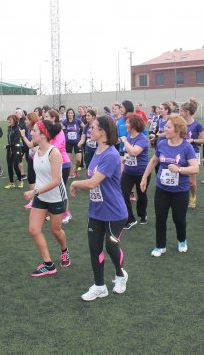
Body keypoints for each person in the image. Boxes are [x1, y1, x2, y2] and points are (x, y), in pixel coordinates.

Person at [70, 116, 129, 301]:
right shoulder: (96, 151)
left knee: (111, 248)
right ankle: (99, 286)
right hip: (96, 210)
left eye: (93, 128)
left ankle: (121, 275)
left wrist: (75, 183)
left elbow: (94, 181)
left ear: (103, 131)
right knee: (94, 248)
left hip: (114, 212)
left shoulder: (111, 155)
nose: (90, 131)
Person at [141, 115, 199, 257]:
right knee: (160, 218)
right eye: (165, 126)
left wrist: (180, 169)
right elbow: (154, 161)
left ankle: (182, 240)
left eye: (168, 127)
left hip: (180, 191)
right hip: (162, 189)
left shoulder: (187, 147)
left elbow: (195, 168)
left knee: (179, 219)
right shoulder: (161, 143)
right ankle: (160, 246)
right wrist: (144, 178)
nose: (164, 129)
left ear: (178, 129)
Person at [24, 119, 70, 276]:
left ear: (44, 134)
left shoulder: (54, 152)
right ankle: (48, 264)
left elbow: (56, 181)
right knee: (34, 230)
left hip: (56, 198)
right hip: (41, 198)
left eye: (34, 130)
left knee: (56, 231)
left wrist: (34, 192)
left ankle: (64, 250)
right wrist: (36, 192)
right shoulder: (35, 151)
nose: (31, 132)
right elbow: (40, 175)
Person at [120, 114, 150, 229]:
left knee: (141, 195)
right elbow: (127, 153)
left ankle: (143, 214)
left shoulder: (142, 138)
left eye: (128, 123)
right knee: (123, 194)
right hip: (128, 172)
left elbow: (134, 152)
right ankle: (130, 219)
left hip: (141, 173)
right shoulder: (128, 136)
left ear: (134, 125)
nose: (126, 125)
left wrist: (124, 141)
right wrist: (124, 159)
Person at [46, 110, 73, 223]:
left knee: (61, 190)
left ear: (53, 118)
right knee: (52, 190)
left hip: (63, 164)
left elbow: (55, 146)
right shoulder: (48, 131)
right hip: (53, 163)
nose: (44, 117)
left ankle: (67, 213)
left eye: (47, 116)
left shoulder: (59, 131)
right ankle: (54, 212)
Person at [180, 99, 204, 208]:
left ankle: (193, 196)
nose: (180, 113)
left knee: (191, 181)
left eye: (182, 111)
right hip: (180, 153)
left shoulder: (197, 124)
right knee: (180, 176)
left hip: (193, 154)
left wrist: (193, 140)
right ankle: (181, 196)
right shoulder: (180, 123)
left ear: (187, 112)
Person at [20, 112, 40, 209]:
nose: (25, 121)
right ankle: (33, 200)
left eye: (27, 119)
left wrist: (23, 136)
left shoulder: (35, 129)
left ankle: (36, 200)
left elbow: (31, 145)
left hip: (38, 158)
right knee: (31, 178)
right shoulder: (29, 129)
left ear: (31, 120)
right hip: (32, 156)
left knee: (35, 178)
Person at [4, 114, 24, 189]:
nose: (8, 121)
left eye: (10, 119)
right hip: (10, 149)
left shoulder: (17, 129)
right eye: (8, 119)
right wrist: (9, 147)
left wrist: (7, 146)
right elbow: (10, 140)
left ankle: (20, 180)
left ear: (14, 120)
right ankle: (11, 183)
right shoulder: (9, 128)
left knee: (16, 166)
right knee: (9, 166)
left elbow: (16, 142)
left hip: (16, 149)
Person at [62, 108, 83, 177]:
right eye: (69, 113)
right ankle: (71, 172)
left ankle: (76, 169)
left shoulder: (77, 120)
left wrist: (83, 134)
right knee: (68, 159)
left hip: (77, 142)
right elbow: (62, 130)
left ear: (73, 114)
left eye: (71, 113)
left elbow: (84, 127)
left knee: (78, 160)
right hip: (68, 142)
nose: (70, 114)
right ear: (67, 114)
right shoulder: (65, 122)